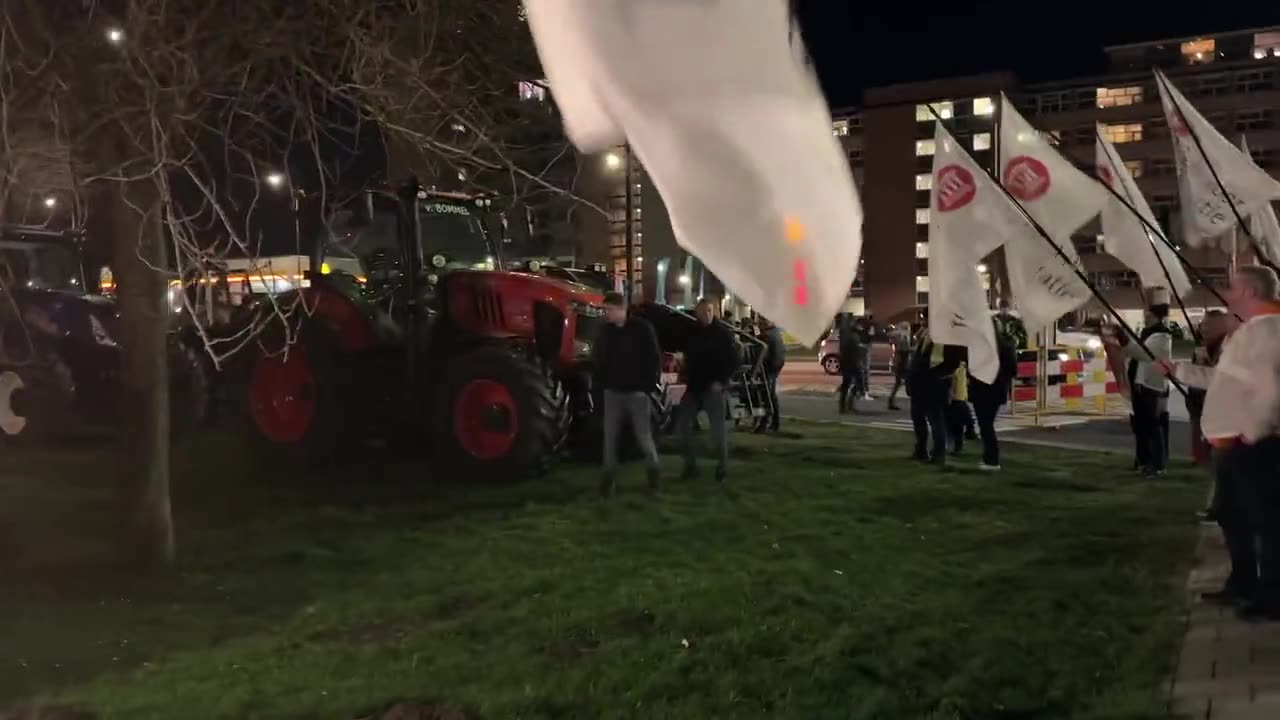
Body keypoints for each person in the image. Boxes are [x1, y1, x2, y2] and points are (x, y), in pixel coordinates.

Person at [1155, 266, 1280, 621]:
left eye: (1233, 287)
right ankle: (1243, 583)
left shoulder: (1268, 331)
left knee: (1266, 524)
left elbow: (1270, 391)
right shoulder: (1249, 331)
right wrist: (1180, 371)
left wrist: (1251, 434)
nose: (1226, 294)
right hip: (1234, 445)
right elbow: (1227, 380)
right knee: (1232, 515)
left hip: (1251, 446)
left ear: (1252, 292)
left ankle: (1270, 597)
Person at [592, 291, 663, 497]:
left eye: (610, 310)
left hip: (637, 394)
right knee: (610, 439)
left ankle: (654, 479)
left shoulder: (642, 329)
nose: (607, 314)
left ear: (623, 309)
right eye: (606, 310)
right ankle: (608, 483)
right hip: (613, 392)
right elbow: (599, 359)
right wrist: (602, 385)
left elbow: (653, 359)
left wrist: (646, 388)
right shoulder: (606, 331)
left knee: (643, 437)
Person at [1107, 288, 1174, 478]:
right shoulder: (1147, 332)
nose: (1145, 317)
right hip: (1140, 386)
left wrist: (1122, 338)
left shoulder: (1161, 335)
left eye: (1148, 315)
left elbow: (1142, 353)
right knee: (1141, 427)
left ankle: (1157, 464)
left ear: (1156, 316)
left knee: (1153, 427)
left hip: (1152, 388)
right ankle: (1143, 461)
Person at [679, 298, 741, 482]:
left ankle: (722, 468)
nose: (706, 314)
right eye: (703, 311)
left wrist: (722, 381)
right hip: (694, 386)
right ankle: (690, 466)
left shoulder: (722, 334)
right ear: (697, 313)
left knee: (717, 431)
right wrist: (684, 372)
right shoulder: (691, 332)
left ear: (714, 312)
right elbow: (688, 356)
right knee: (682, 426)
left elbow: (734, 360)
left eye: (709, 311)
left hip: (713, 387)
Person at [906, 326, 963, 465]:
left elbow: (952, 364)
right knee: (918, 417)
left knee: (936, 420)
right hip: (919, 384)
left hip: (935, 386)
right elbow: (918, 358)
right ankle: (921, 450)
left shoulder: (949, 338)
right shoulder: (926, 334)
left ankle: (939, 455)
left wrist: (935, 377)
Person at [968, 319, 1018, 471]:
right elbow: (1013, 370)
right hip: (996, 390)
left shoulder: (979, 347)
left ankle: (992, 459)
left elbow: (972, 368)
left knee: (985, 425)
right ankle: (989, 457)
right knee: (987, 424)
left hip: (981, 389)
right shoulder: (1007, 345)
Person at [756, 316, 786, 433]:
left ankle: (764, 423)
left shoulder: (767, 336)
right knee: (771, 396)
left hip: (769, 369)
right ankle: (774, 423)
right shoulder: (776, 333)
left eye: (761, 321)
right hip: (775, 368)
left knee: (767, 397)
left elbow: (762, 353)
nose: (759, 324)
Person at [836, 314, 865, 413]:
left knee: (850, 383)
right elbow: (849, 349)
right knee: (853, 382)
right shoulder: (850, 334)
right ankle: (846, 406)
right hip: (850, 362)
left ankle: (845, 406)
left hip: (850, 361)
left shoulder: (852, 334)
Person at [887, 322, 912, 410]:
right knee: (908, 381)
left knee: (898, 382)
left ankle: (891, 400)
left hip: (900, 361)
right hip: (903, 361)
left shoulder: (898, 335)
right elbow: (904, 349)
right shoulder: (903, 336)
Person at [856, 316, 875, 401]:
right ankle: (864, 393)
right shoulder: (868, 327)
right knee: (865, 371)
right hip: (864, 348)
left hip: (861, 347)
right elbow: (870, 336)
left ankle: (860, 393)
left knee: (862, 371)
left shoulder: (859, 328)